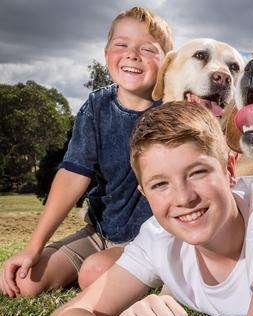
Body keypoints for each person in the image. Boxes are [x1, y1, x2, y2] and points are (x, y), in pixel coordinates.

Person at [12, 101, 253, 316]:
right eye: (160, 184)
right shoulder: (157, 237)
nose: (184, 197)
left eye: (198, 172)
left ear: (229, 170)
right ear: (144, 193)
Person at [0, 6, 173, 297]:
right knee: (23, 282)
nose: (132, 54)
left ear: (167, 64)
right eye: (122, 45)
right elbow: (72, 175)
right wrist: (33, 247)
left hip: (149, 241)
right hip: (99, 234)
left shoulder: (173, 111)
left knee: (93, 274)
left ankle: (135, 274)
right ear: (107, 55)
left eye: (147, 49)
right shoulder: (97, 107)